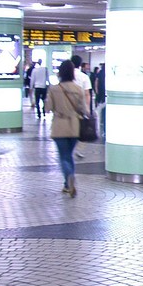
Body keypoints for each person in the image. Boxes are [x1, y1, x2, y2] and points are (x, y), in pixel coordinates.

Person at [46, 60, 87, 198]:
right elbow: (84, 109)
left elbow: (48, 107)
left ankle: (69, 178)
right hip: (75, 125)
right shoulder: (78, 89)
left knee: (64, 156)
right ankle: (67, 183)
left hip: (59, 125)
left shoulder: (54, 89)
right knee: (69, 155)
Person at [71, 55, 93, 158]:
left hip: (68, 106)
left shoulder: (66, 75)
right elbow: (87, 94)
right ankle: (78, 148)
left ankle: (69, 146)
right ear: (80, 65)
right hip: (80, 107)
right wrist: (87, 108)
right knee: (82, 128)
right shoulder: (84, 77)